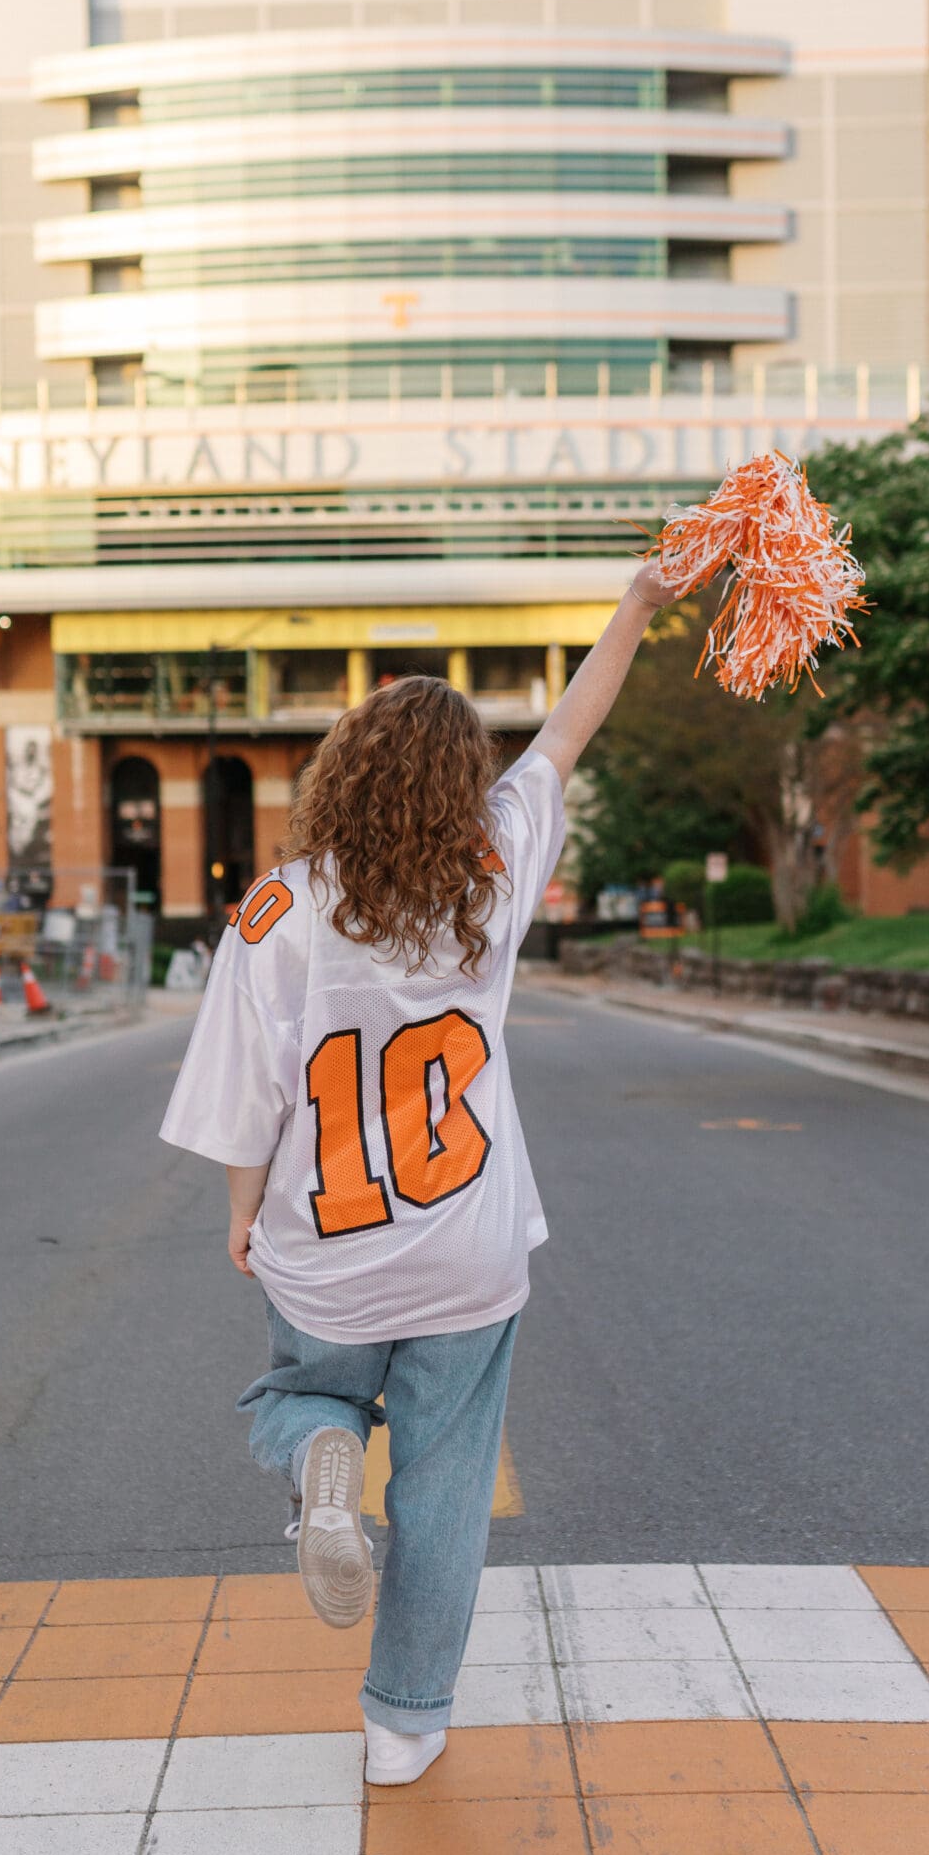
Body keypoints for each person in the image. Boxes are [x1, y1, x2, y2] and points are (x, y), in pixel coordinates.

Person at [159, 561, 678, 1784]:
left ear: (342, 769)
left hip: (328, 1247)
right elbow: (569, 727)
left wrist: (243, 1216)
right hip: (468, 1250)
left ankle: (317, 1464)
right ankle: (403, 1721)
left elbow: (248, 1096)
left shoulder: (278, 910)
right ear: (463, 788)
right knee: (444, 1484)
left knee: (296, 1396)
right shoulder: (492, 872)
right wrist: (640, 604)